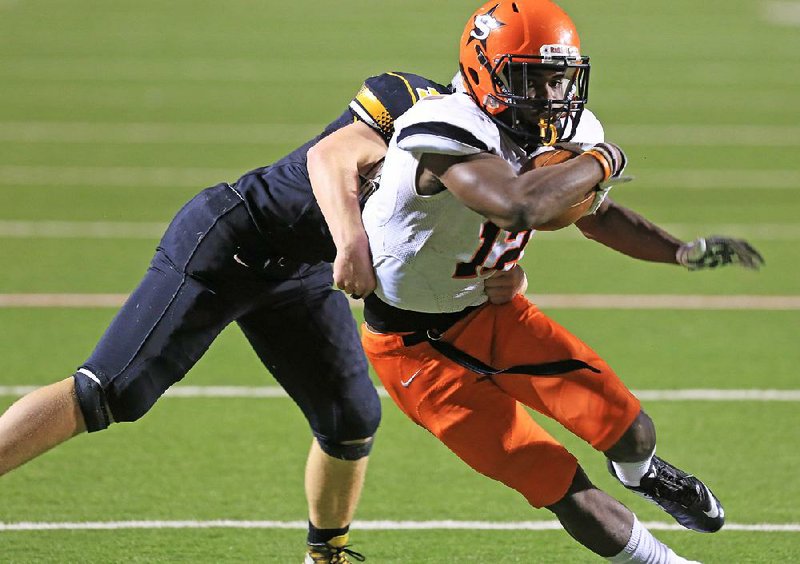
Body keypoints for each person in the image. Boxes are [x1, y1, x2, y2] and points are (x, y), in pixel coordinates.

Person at [335, 1, 765, 562]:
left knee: (633, 432)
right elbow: (516, 206)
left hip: (488, 314)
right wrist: (603, 159)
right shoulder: (443, 124)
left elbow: (594, 214)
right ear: (481, 68)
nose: (548, 94)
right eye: (529, 78)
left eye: (558, 77)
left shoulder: (561, 130)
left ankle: (641, 474)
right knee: (560, 483)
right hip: (410, 351)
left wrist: (679, 251)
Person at [0, 71, 449, 564]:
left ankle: (326, 556)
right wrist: (350, 243)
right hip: (233, 239)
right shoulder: (416, 103)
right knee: (108, 392)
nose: (544, 104)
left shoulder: (495, 159)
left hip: (299, 270)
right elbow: (329, 156)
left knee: (351, 419)